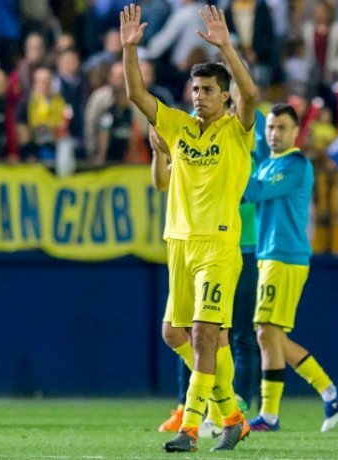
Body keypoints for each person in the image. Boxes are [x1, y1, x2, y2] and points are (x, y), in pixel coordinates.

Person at [120, 4, 258, 452]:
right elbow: (137, 95)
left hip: (217, 245)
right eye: (195, 89)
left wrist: (227, 48)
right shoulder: (178, 127)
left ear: (225, 97)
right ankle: (232, 416)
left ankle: (192, 429)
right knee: (174, 333)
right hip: (178, 243)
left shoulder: (237, 131)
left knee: (203, 334)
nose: (199, 96)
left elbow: (251, 94)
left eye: (208, 90)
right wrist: (129, 50)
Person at [244, 103, 338, 433]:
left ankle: (277, 413)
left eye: (282, 128)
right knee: (271, 335)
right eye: (271, 128)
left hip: (285, 257)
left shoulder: (295, 165)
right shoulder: (269, 162)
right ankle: (326, 395)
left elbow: (254, 191)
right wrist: (239, 92)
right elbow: (252, 117)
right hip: (269, 256)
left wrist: (232, 165)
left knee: (266, 332)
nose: (274, 134)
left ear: (295, 132)